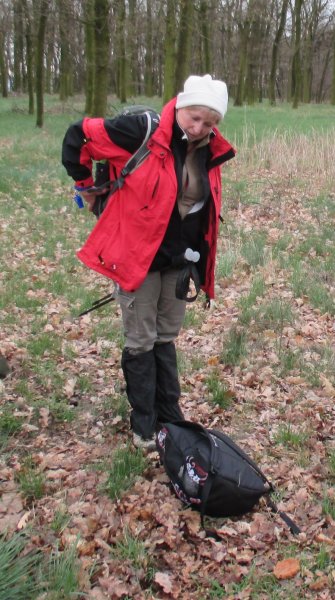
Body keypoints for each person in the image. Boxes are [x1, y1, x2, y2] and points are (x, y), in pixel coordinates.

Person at [62, 75, 236, 451]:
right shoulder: (141, 131)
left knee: (166, 337)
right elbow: (78, 137)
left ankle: (169, 418)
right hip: (137, 258)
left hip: (178, 260)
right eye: (194, 117)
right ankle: (144, 426)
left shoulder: (210, 150)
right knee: (140, 339)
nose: (199, 128)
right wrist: (84, 187)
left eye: (210, 123)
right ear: (181, 105)